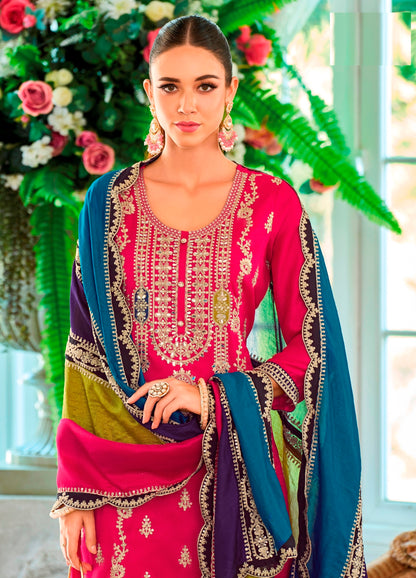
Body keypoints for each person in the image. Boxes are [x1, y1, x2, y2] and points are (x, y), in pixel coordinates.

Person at [50, 15, 366, 578]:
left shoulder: (272, 203)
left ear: (230, 91)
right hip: (121, 474)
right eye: (170, 86)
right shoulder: (107, 202)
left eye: (205, 86)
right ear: (149, 92)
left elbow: (313, 350)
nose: (186, 105)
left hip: (235, 466)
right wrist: (76, 489)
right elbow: (85, 352)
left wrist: (212, 395)